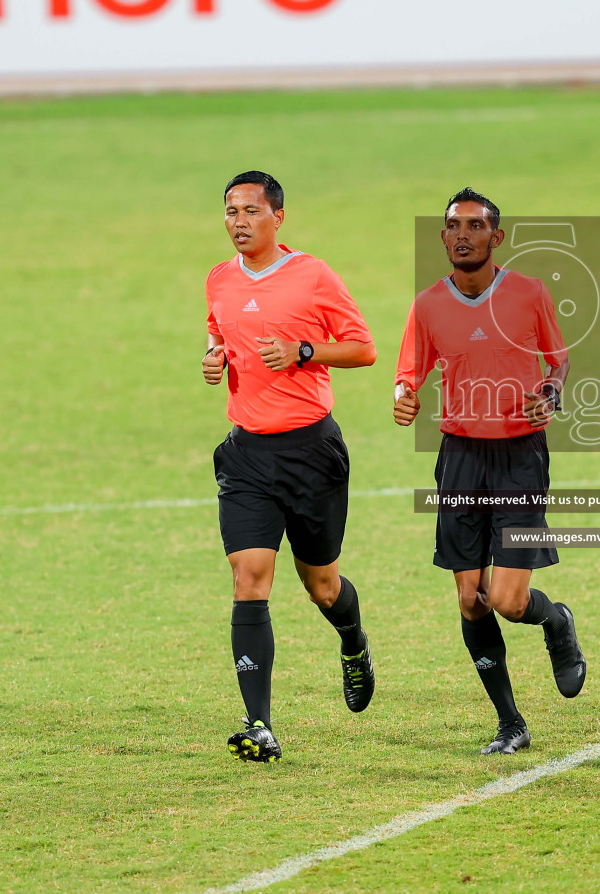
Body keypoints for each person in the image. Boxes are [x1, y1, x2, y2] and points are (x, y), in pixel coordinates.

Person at [393, 186, 585, 755]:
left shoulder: (528, 293)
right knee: (469, 597)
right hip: (459, 460)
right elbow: (409, 372)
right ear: (443, 236)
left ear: (496, 238)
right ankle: (510, 723)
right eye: (454, 226)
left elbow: (559, 359)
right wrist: (403, 395)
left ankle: (556, 622)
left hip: (519, 456)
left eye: (476, 226)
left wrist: (550, 392)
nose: (462, 235)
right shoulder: (428, 304)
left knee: (506, 598)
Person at [202, 169, 378, 762]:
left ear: (278, 217)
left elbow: (363, 347)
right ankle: (260, 724)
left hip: (312, 454)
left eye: (251, 211)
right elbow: (220, 333)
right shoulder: (220, 280)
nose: (239, 222)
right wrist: (214, 357)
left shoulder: (312, 275)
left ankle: (352, 643)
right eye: (230, 212)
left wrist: (304, 352)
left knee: (322, 587)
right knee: (249, 578)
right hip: (248, 455)